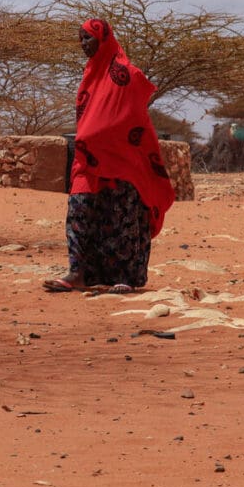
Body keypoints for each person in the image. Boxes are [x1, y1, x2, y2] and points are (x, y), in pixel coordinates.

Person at [43, 18, 175, 293]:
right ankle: (78, 273)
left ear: (103, 39)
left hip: (122, 161)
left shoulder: (127, 73)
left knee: (121, 218)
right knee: (79, 213)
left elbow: (132, 116)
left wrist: (107, 139)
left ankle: (125, 278)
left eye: (88, 38)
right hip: (87, 162)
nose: (83, 44)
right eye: (80, 39)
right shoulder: (90, 74)